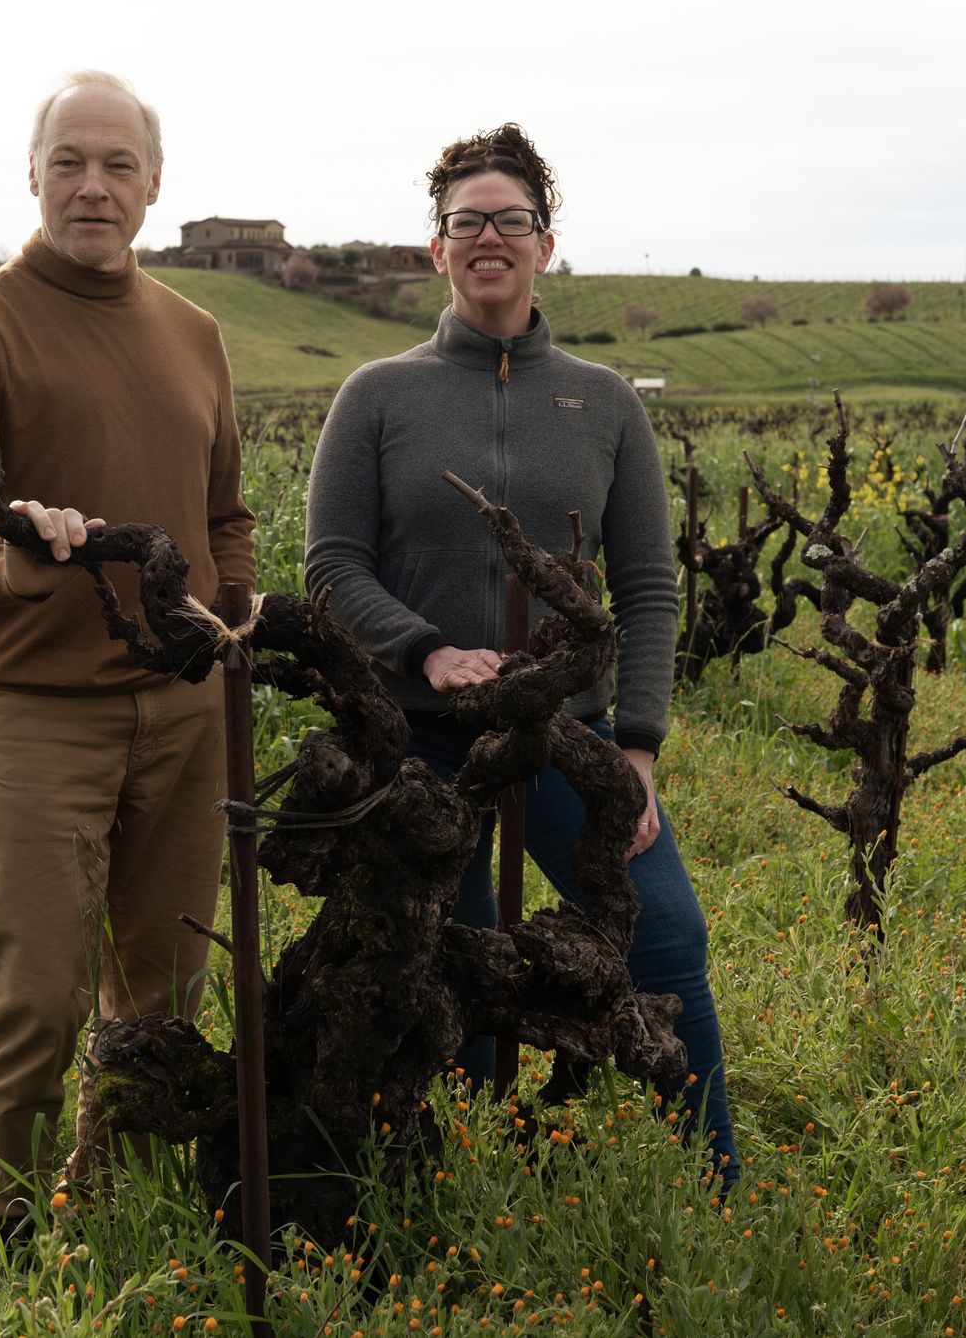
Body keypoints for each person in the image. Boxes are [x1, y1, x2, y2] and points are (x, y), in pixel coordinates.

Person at [303, 123, 737, 1188]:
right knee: (456, 972)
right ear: (434, 250)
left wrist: (634, 749)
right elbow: (329, 569)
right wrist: (427, 652)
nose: (487, 237)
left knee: (667, 941)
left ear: (547, 244)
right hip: (419, 750)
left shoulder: (605, 402)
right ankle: (459, 1194)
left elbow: (644, 586)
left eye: (511, 220)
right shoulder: (376, 396)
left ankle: (717, 1187)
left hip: (565, 732)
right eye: (465, 222)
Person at [0, 70, 255, 1250]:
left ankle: (116, 1202)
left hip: (189, 706)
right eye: (69, 162)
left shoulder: (193, 332)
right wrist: (18, 564)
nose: (92, 186)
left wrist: (235, 620)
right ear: (33, 173)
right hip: (35, 709)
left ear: (154, 185)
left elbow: (225, 513)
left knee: (165, 987)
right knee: (36, 996)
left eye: (116, 165)